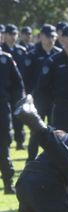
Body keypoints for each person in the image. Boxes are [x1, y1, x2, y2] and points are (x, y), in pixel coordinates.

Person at [25, 24, 61, 162]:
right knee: (36, 130)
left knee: (54, 131)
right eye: (48, 36)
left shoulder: (59, 54)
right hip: (38, 99)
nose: (51, 39)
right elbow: (26, 78)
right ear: (41, 37)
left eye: (53, 36)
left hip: (55, 99)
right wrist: (29, 96)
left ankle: (52, 159)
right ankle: (31, 160)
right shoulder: (33, 54)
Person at [0, 41, 25, 194]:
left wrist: (19, 104)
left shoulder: (6, 59)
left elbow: (18, 85)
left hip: (2, 107)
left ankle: (8, 183)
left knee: (3, 145)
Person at [2, 24, 28, 151]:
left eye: (15, 34)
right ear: (5, 35)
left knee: (19, 118)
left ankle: (19, 141)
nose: (13, 37)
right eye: (10, 34)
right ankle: (6, 142)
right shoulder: (2, 51)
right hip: (4, 91)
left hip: (17, 90)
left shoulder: (21, 51)